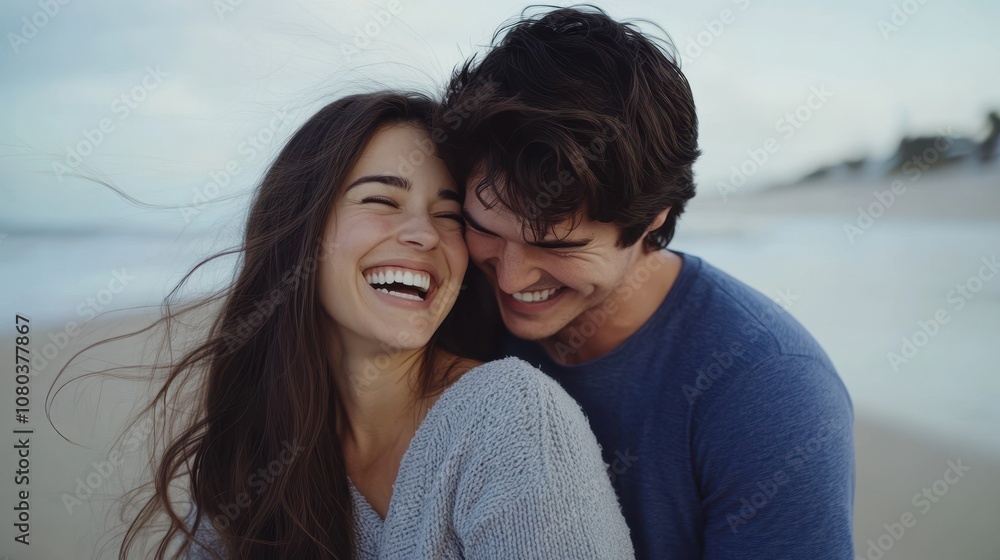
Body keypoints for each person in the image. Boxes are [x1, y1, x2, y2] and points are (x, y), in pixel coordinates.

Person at [75, 92, 633, 559]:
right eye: (382, 200)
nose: (423, 233)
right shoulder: (250, 449)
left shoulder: (509, 420)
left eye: (447, 215)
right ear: (302, 229)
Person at [438, 6, 855, 559]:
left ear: (652, 219)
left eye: (557, 245)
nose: (510, 278)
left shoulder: (769, 392)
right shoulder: (451, 307)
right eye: (485, 230)